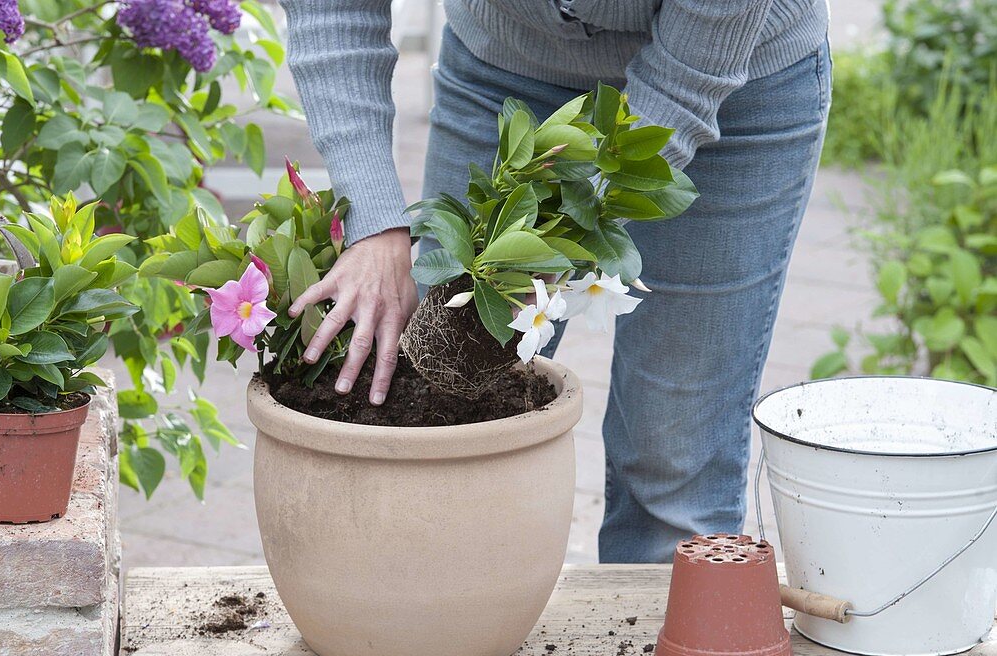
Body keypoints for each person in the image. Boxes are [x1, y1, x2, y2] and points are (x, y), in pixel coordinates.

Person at [281, 0, 831, 563]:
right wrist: (373, 222)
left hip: (725, 71)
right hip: (507, 73)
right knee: (443, 397)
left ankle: (653, 637)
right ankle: (446, 623)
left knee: (673, 458)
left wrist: (569, 229)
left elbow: (690, 74)